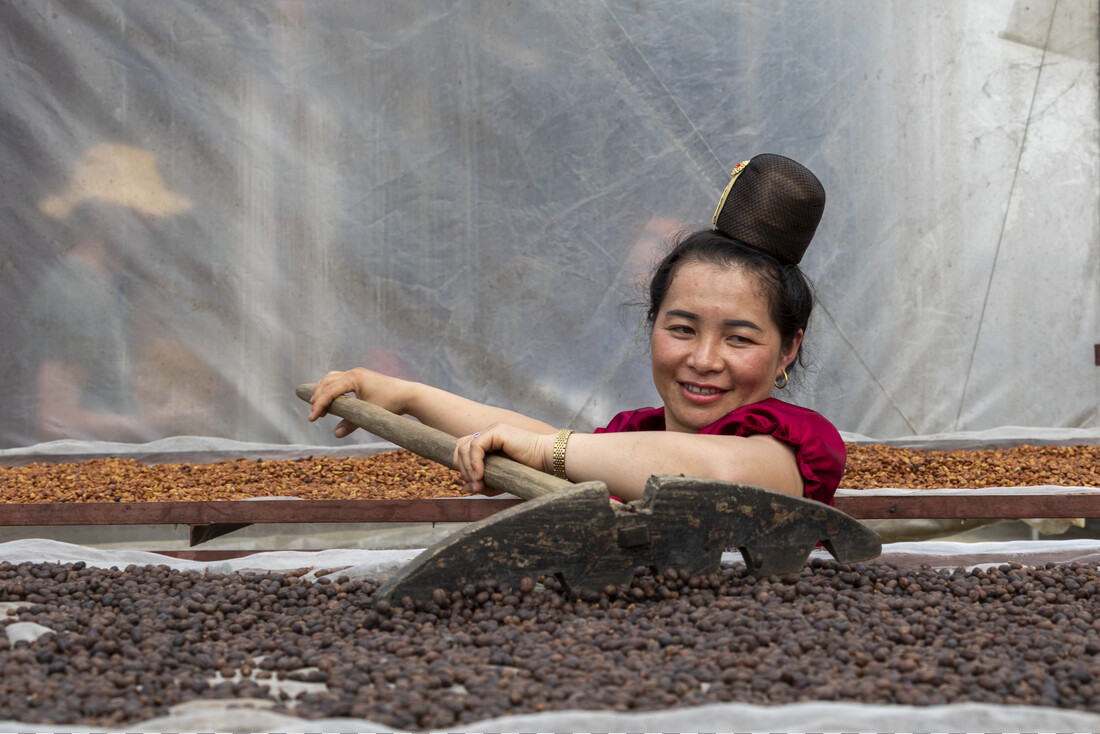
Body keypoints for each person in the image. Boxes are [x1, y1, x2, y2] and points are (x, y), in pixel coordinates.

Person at [308, 153, 845, 505]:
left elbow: (719, 476)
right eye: (682, 328)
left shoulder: (789, 448)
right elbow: (534, 436)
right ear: (651, 324)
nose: (704, 359)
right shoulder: (633, 442)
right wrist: (402, 395)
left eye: (739, 338)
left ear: (787, 350)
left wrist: (546, 453)